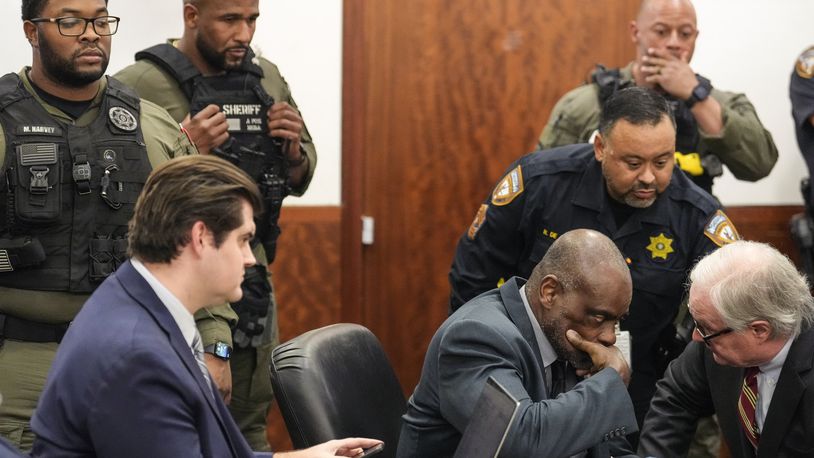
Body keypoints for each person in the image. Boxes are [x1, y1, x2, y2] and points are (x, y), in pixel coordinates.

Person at [30, 155, 381, 458]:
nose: (250, 259)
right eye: (243, 240)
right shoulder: (136, 358)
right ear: (200, 238)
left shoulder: (136, 297)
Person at [449, 86, 740, 434]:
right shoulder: (540, 183)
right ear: (601, 148)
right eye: (633, 163)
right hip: (529, 371)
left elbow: (730, 307)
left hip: (637, 383)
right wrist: (486, 357)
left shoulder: (696, 216)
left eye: (662, 162)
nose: (649, 177)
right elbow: (473, 277)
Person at [114, 1, 316, 448]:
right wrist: (184, 148)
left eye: (252, 20)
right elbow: (121, 196)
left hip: (252, 273)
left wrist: (293, 152)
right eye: (230, 20)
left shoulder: (267, 76)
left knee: (248, 422)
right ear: (191, 17)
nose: (243, 33)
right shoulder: (137, 85)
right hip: (174, 282)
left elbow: (302, 173)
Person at [0, 0, 199, 450]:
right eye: (70, 21)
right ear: (32, 32)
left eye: (101, 19)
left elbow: (198, 244)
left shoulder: (152, 125)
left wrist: (215, 346)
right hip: (20, 364)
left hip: (133, 357)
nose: (91, 33)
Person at [398, 229, 637, 457]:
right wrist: (610, 380)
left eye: (617, 321)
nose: (609, 337)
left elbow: (610, 450)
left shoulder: (568, 337)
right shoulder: (476, 336)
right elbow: (517, 443)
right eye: (598, 317)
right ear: (550, 292)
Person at [537, 0, 777, 195]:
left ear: (696, 36)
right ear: (635, 32)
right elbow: (543, 179)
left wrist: (697, 97)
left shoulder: (721, 104)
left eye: (685, 34)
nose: (674, 43)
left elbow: (759, 166)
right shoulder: (586, 103)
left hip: (687, 234)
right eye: (661, 31)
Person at [638, 241, 814, 457]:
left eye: (705, 328)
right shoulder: (716, 340)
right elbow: (676, 397)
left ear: (759, 330)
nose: (696, 337)